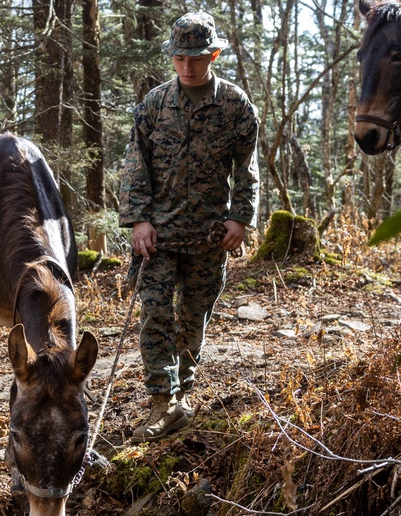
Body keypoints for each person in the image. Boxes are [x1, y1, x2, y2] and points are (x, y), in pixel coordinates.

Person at [119, 11, 260, 443]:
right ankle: (164, 401)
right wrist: (139, 220)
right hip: (157, 238)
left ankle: (184, 392)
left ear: (213, 54)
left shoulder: (235, 105)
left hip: (208, 236)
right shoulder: (155, 104)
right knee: (156, 316)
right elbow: (134, 167)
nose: (188, 66)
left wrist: (240, 217)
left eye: (196, 57)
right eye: (180, 58)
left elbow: (247, 169)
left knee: (193, 317)